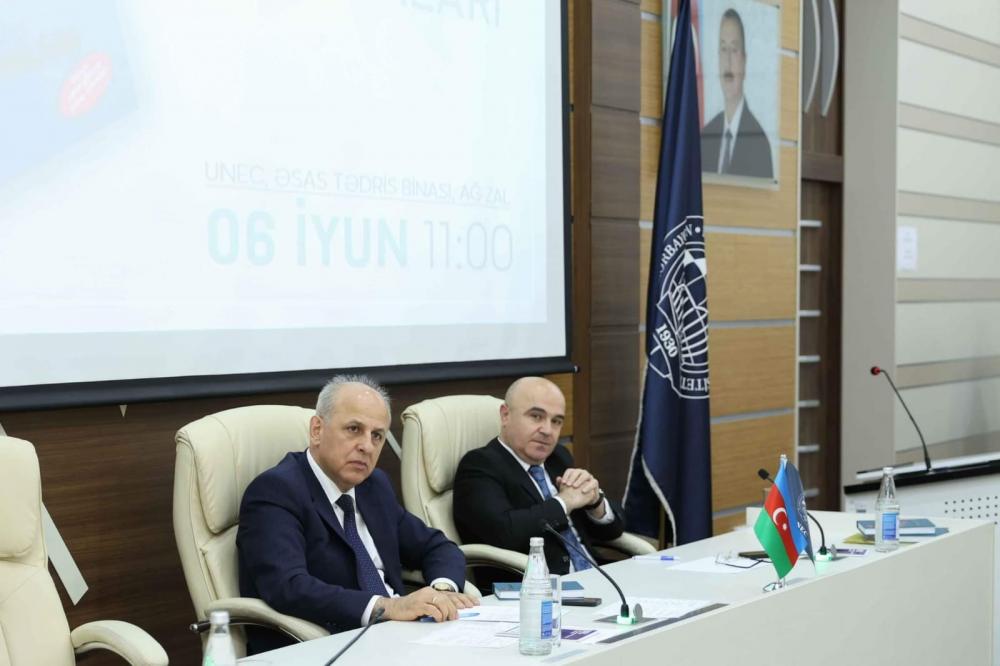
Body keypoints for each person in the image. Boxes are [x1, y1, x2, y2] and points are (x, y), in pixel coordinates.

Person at [237, 375, 476, 654]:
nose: (367, 446)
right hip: (327, 646)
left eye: (377, 436)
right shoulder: (276, 491)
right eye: (354, 429)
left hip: (401, 639)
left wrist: (441, 593)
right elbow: (289, 587)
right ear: (317, 430)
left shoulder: (373, 486)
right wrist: (387, 607)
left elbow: (436, 546)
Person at [453, 377, 624, 579]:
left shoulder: (558, 457)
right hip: (538, 587)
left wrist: (595, 502)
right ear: (506, 415)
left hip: (597, 576)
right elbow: (504, 533)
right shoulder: (480, 465)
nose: (547, 431)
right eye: (536, 416)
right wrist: (565, 502)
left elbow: (613, 532)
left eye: (556, 421)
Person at [700, 8, 774, 179]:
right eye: (723, 49)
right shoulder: (704, 138)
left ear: (744, 61)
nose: (728, 60)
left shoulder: (760, 143)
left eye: (734, 50)